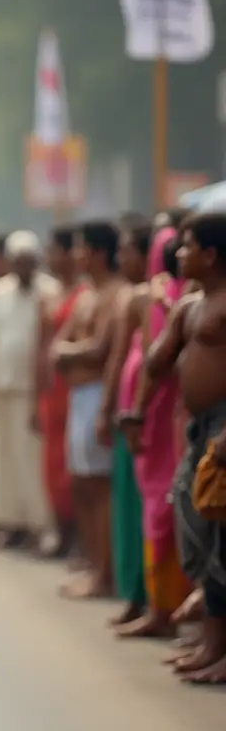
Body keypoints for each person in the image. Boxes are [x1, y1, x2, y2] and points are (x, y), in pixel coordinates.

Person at [145, 212, 226, 684]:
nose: (178, 253)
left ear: (210, 255)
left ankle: (218, 648)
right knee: (195, 525)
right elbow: (157, 362)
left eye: (188, 245)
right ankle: (211, 642)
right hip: (200, 431)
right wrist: (166, 315)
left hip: (222, 430)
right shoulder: (191, 306)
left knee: (223, 538)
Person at [118, 227, 192, 638]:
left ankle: (163, 608)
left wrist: (137, 412)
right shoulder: (175, 298)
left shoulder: (165, 299)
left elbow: (155, 360)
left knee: (162, 510)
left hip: (164, 418)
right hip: (169, 416)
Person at [51, 221, 124, 599]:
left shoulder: (116, 294)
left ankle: (106, 573)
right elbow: (61, 345)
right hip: (78, 395)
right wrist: (73, 351)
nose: (76, 255)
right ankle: (95, 566)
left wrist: (70, 352)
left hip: (97, 394)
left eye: (81, 248)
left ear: (97, 252)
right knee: (81, 483)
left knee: (99, 484)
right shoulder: (85, 296)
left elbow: (99, 350)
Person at [0, 231, 57, 549]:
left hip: (34, 391)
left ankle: (39, 524)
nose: (23, 268)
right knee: (2, 459)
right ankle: (9, 523)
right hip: (2, 388)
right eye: (18, 262)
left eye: (28, 262)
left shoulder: (50, 290)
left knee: (33, 460)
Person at [96, 220, 151, 623]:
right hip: (133, 410)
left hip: (143, 413)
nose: (121, 258)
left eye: (129, 250)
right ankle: (134, 589)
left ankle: (145, 596)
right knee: (131, 500)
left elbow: (117, 356)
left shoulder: (141, 297)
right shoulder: (136, 296)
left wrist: (106, 408)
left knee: (141, 503)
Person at [35, 224, 83, 558]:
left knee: (74, 466)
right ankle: (61, 532)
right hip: (51, 389)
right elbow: (41, 346)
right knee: (52, 463)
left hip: (73, 387)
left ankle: (79, 539)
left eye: (53, 250)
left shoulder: (84, 294)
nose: (49, 257)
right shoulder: (49, 295)